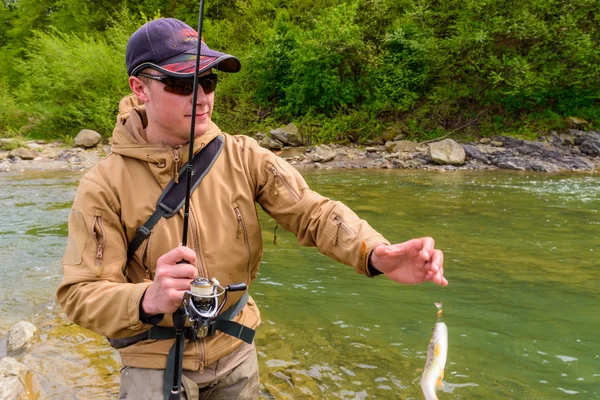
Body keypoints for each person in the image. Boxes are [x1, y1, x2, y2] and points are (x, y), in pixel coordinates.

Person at [56, 17, 447, 400]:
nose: (202, 96)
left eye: (208, 80)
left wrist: (376, 253)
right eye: (181, 83)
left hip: (236, 345)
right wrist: (146, 299)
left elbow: (313, 212)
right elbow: (78, 293)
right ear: (139, 88)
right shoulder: (102, 185)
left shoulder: (244, 155)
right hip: (152, 358)